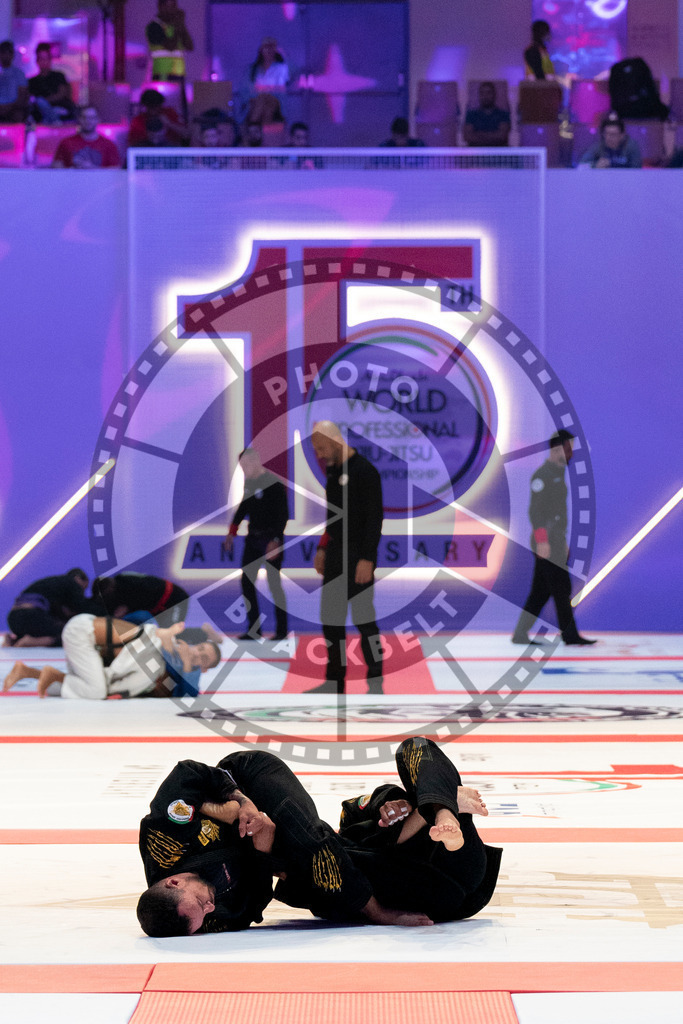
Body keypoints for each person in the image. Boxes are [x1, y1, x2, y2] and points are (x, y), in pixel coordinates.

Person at [136, 739, 494, 935]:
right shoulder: (208, 920)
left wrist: (238, 805)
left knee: (315, 840)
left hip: (246, 779)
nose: (210, 908)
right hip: (439, 878)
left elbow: (191, 775)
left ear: (173, 881)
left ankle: (440, 809)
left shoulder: (164, 844)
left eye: (200, 905)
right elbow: (255, 900)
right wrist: (264, 848)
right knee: (319, 866)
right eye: (204, 917)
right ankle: (441, 806)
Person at [307, 421, 384, 694]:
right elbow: (333, 517)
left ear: (335, 440)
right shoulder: (333, 472)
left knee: (364, 619)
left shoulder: (366, 471)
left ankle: (376, 681)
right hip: (336, 554)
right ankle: (334, 681)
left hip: (358, 555)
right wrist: (322, 548)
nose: (320, 454)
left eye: (322, 447)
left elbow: (375, 520)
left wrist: (367, 559)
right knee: (330, 619)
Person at [512, 429, 596, 647]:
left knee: (540, 591)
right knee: (561, 588)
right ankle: (570, 636)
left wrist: (561, 541)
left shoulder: (556, 474)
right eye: (568, 448)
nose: (571, 453)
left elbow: (556, 513)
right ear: (556, 449)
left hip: (555, 540)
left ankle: (520, 634)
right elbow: (536, 512)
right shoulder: (542, 476)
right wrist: (542, 541)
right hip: (546, 540)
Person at [2, 616, 219, 698]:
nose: (197, 654)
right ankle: (50, 675)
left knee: (79, 687)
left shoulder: (176, 663)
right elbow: (139, 621)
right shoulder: (165, 641)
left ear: (205, 669)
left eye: (203, 659)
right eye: (200, 648)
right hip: (83, 635)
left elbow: (188, 691)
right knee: (97, 690)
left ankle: (29, 672)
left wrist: (187, 663)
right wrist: (166, 637)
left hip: (89, 642)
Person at [224, 448, 289, 641]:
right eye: (241, 466)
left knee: (274, 584)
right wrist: (231, 532)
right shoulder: (249, 483)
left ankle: (281, 630)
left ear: (256, 461)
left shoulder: (274, 484)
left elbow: (283, 515)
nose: (244, 469)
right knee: (246, 582)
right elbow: (244, 506)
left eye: (246, 465)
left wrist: (276, 540)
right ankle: (254, 629)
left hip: (271, 541)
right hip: (253, 539)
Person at [4, 568, 101, 647]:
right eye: (83, 588)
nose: (82, 592)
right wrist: (104, 616)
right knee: (71, 634)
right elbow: (81, 606)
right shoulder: (71, 583)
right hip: (30, 616)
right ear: (78, 578)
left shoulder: (52, 585)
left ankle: (14, 640)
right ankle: (30, 642)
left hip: (13, 619)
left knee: (53, 627)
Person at [91, 572, 190, 625]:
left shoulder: (126, 581)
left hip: (175, 599)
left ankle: (201, 633)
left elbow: (149, 591)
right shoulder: (111, 599)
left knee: (173, 630)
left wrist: (128, 607)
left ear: (111, 587)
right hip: (157, 610)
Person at [52, 106, 121, 168]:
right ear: (79, 119)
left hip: (99, 182)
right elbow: (56, 167)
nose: (88, 121)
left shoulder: (109, 145)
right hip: (72, 181)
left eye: (91, 118)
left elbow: (115, 172)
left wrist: (91, 168)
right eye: (84, 117)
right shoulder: (66, 143)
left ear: (98, 120)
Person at [28, 42, 76, 124]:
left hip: (61, 108)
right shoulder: (32, 81)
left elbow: (62, 94)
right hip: (40, 113)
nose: (44, 62)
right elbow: (31, 100)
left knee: (41, 102)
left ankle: (52, 118)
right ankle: (53, 120)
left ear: (50, 60)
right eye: (41, 59)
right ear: (37, 61)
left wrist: (44, 102)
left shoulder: (59, 76)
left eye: (46, 58)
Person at [146, 0, 193, 82]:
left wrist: (182, 25)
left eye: (175, 6)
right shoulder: (154, 26)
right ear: (161, 7)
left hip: (179, 75)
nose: (174, 10)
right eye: (170, 7)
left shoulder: (176, 26)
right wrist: (178, 24)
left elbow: (190, 46)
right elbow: (170, 46)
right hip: (162, 75)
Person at [244, 37, 289, 125]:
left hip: (275, 101)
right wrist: (263, 90)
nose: (269, 50)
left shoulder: (281, 68)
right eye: (266, 47)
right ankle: (258, 129)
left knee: (266, 103)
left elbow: (280, 89)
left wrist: (263, 90)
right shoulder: (254, 69)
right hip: (257, 100)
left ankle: (253, 127)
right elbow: (249, 89)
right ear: (261, 49)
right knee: (263, 104)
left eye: (271, 47)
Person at [463, 82, 510, 147]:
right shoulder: (471, 115)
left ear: (494, 94)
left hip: (497, 153)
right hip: (475, 154)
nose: (485, 96)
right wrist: (493, 135)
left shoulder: (503, 115)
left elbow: (502, 136)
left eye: (488, 93)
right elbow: (467, 136)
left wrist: (479, 135)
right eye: (482, 93)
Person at [0, 40, 28, 123]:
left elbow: (22, 96)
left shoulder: (19, 74)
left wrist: (9, 107)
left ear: (12, 55)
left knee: (18, 115)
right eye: (3, 52)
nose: (6, 55)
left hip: (14, 109)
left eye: (9, 52)